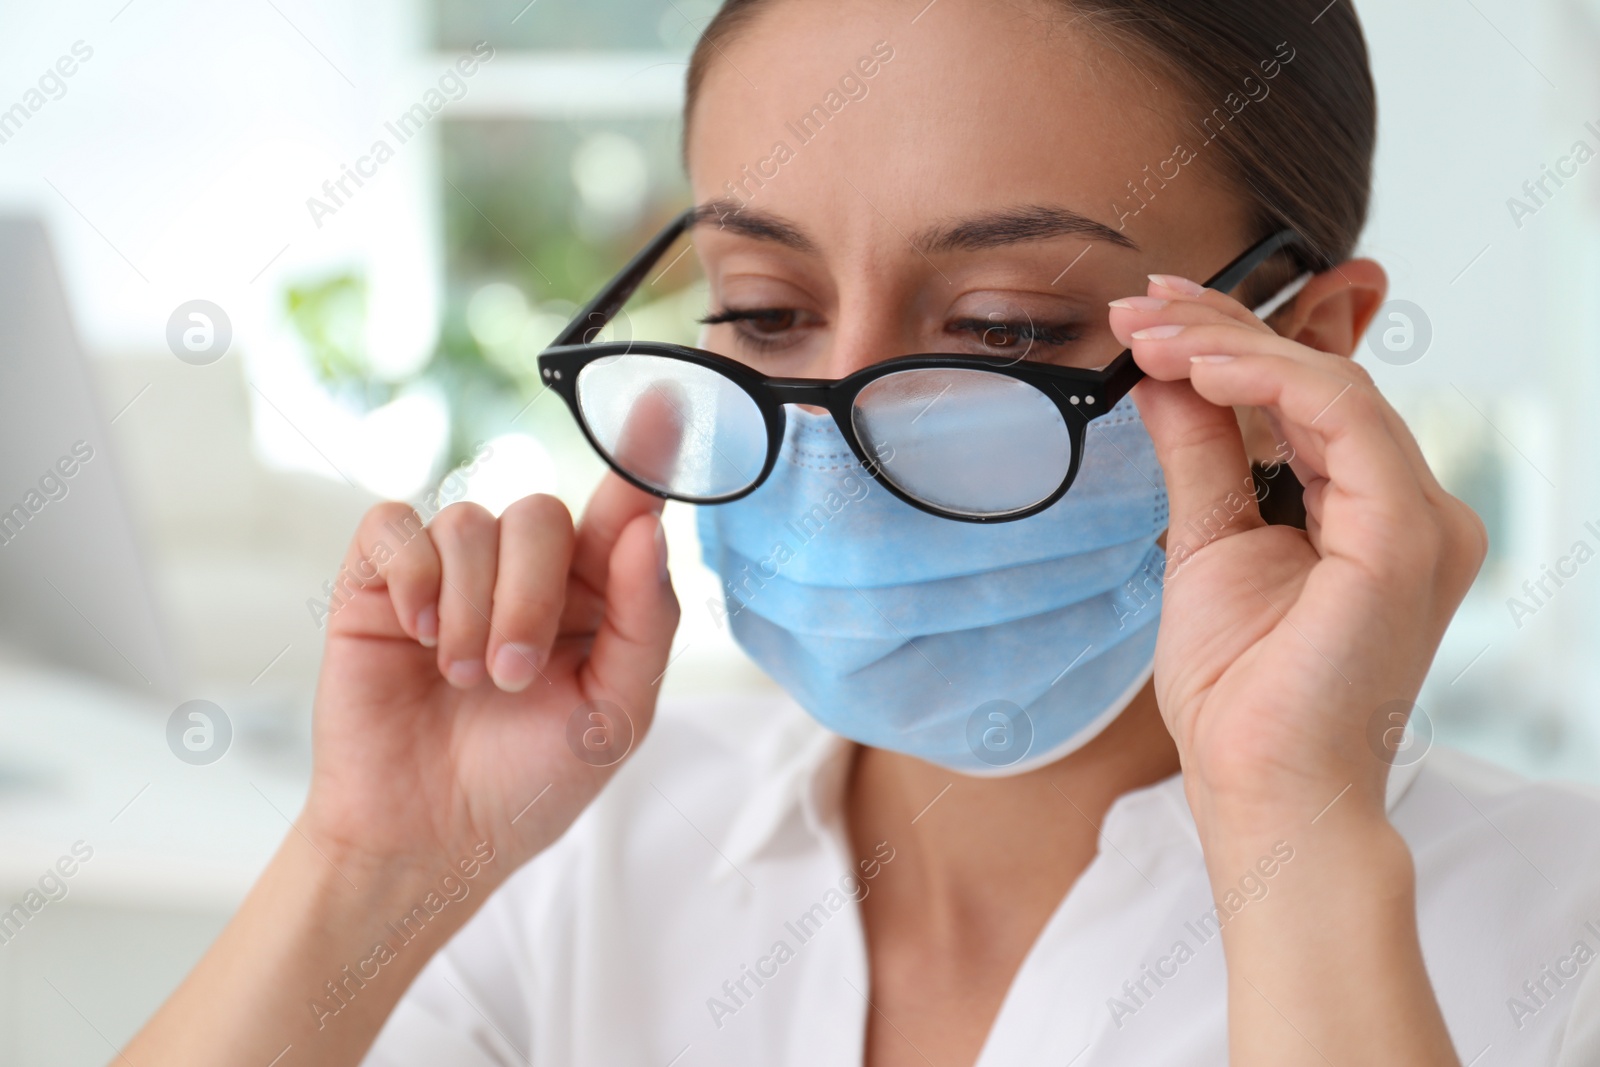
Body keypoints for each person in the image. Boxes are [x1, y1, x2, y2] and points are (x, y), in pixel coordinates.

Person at [127, 1, 1600, 1064]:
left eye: (1006, 329)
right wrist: (367, 870)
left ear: (1305, 352)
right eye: (763, 313)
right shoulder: (576, 864)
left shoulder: (1561, 930)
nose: (833, 432)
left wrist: (1299, 838)